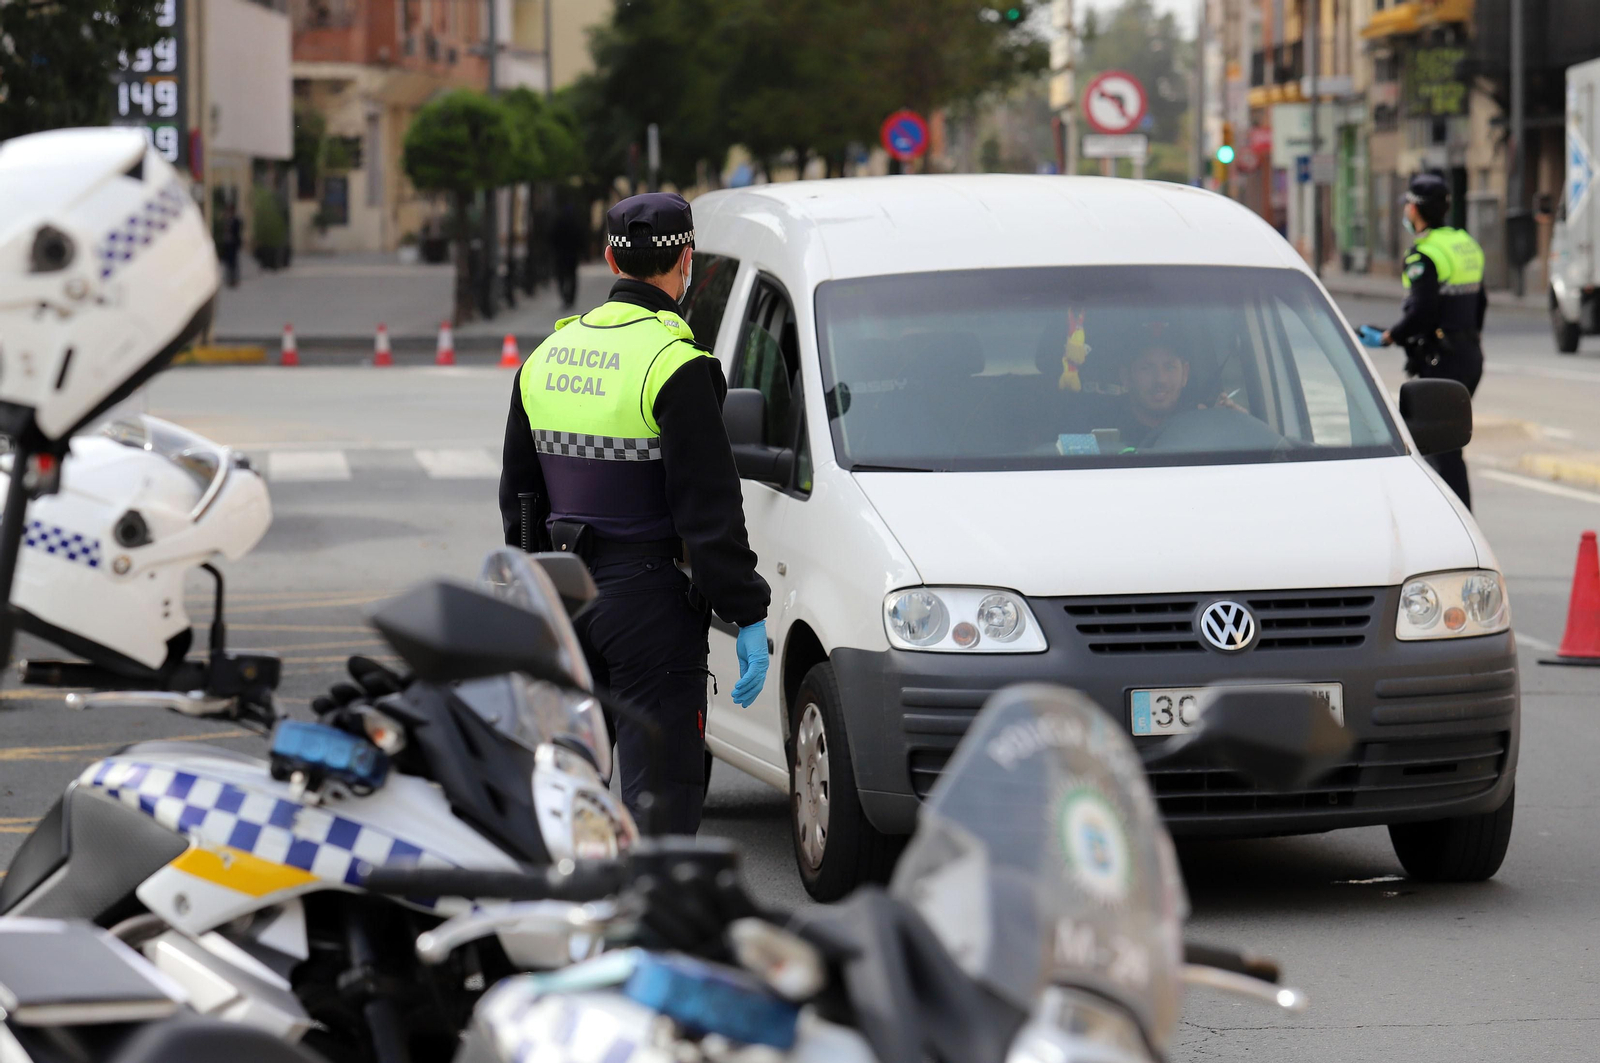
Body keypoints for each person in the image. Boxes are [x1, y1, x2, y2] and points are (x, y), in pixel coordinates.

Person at [498, 191, 770, 835]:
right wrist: (747, 609)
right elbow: (708, 511)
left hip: (563, 602)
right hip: (648, 605)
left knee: (570, 799)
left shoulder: (544, 359)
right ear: (687, 264)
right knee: (659, 804)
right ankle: (647, 928)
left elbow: (518, 500)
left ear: (608, 259)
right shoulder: (676, 364)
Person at [1381, 172, 1486, 510]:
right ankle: (1453, 517)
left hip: (1442, 360)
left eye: (1408, 205)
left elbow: (1423, 312)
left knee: (1438, 449)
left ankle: (1457, 523)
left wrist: (1391, 335)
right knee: (1445, 444)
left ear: (1416, 209)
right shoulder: (1463, 244)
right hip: (1468, 354)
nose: (1406, 212)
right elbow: (1480, 302)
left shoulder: (1424, 254)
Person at [1099, 343, 1246, 449]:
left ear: (1185, 373)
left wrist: (1239, 427)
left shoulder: (1203, 423)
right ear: (1126, 376)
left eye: (1170, 367)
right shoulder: (1100, 426)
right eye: (1147, 368)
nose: (1160, 379)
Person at [548, 202, 584, 310]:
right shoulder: (575, 223)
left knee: (561, 277)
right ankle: (570, 299)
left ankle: (565, 298)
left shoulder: (558, 222)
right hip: (572, 255)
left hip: (560, 255)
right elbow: (580, 239)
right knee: (572, 277)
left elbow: (552, 238)